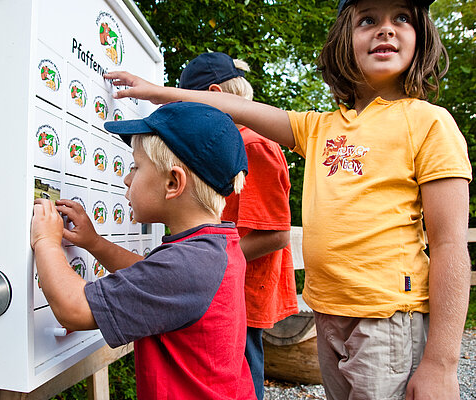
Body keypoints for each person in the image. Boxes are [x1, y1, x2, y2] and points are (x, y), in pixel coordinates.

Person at [103, 0, 473, 398]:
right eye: (368, 20)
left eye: (401, 18)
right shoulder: (320, 127)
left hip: (386, 318)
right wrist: (158, 93)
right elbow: (238, 107)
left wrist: (441, 362)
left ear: (422, 37)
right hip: (328, 312)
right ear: (344, 41)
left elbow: (449, 243)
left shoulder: (430, 122)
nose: (385, 29)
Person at [30, 101, 256, 399]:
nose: (126, 178)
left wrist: (45, 239)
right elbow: (150, 278)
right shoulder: (214, 246)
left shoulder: (189, 263)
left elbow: (73, 309)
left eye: (135, 166)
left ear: (173, 182)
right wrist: (95, 243)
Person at [179, 51, 298, 400]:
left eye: (193, 103)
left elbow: (276, 233)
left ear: (215, 95)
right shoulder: (234, 144)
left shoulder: (253, 144)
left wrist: (207, 261)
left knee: (241, 382)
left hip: (242, 293)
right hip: (230, 289)